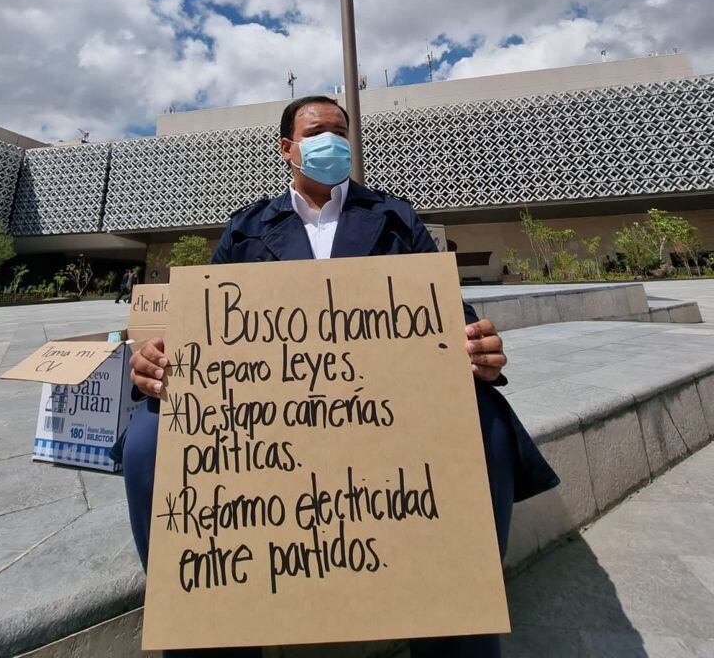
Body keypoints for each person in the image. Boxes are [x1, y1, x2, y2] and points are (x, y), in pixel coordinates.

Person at [122, 96, 558, 658]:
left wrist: (477, 345)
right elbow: (200, 328)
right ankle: (209, 628)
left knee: (485, 424)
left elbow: (448, 312)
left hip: (382, 404)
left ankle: (457, 620)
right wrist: (155, 361)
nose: (332, 140)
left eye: (340, 130)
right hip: (270, 416)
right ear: (288, 149)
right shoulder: (248, 228)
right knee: (146, 442)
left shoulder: (396, 218)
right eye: (316, 130)